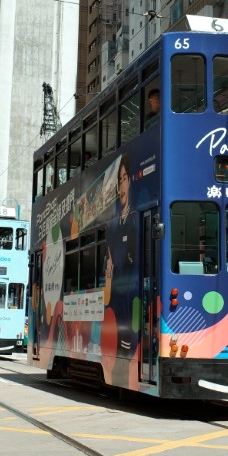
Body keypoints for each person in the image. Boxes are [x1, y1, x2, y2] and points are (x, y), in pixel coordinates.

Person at [105, 154, 137, 387]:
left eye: (125, 178)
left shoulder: (135, 223)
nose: (121, 184)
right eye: (119, 179)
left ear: (131, 182)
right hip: (115, 304)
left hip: (129, 302)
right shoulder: (113, 226)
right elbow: (112, 263)